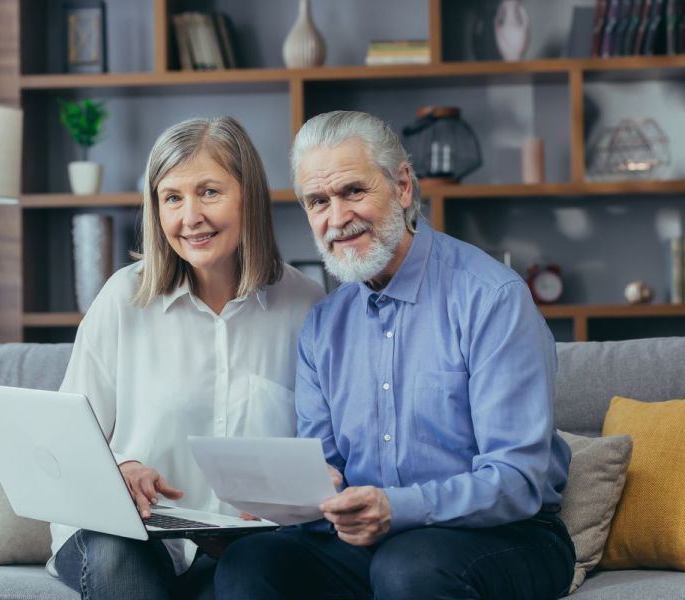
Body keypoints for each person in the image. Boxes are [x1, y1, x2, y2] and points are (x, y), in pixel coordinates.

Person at [214, 110, 575, 599]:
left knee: (407, 569)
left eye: (353, 191)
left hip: (509, 533)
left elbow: (516, 481)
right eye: (318, 201)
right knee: (249, 563)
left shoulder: (491, 298)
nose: (337, 218)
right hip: (372, 539)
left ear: (402, 186)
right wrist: (294, 498)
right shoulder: (323, 325)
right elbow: (325, 466)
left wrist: (397, 508)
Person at [48, 116, 324, 600]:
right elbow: (64, 441)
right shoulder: (123, 299)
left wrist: (285, 504)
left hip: (244, 546)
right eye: (172, 198)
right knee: (117, 554)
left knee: (254, 570)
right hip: (124, 533)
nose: (190, 217)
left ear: (249, 197)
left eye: (209, 192)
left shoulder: (306, 306)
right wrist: (120, 469)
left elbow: (325, 453)